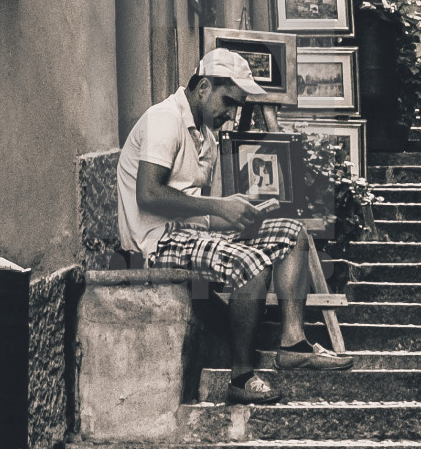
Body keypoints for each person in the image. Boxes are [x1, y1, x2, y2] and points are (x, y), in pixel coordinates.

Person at [116, 48, 352, 401]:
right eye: (227, 102)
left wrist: (241, 211)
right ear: (203, 87)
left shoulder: (205, 135)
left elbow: (199, 210)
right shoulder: (164, 119)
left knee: (292, 233)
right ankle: (240, 377)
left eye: (236, 106)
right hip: (154, 244)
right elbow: (148, 195)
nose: (230, 113)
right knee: (247, 263)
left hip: (190, 235)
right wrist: (219, 208)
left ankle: (293, 344)